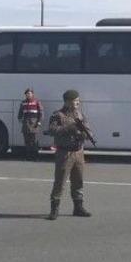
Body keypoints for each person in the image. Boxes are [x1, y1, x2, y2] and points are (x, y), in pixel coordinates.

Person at [47, 89, 92, 220]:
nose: (77, 104)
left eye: (78, 101)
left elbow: (88, 130)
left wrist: (85, 134)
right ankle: (54, 209)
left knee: (78, 180)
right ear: (67, 102)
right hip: (64, 152)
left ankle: (78, 207)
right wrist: (69, 128)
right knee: (60, 181)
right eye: (74, 101)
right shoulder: (58, 115)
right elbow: (52, 130)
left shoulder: (80, 115)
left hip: (78, 152)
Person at [17, 88, 44, 159]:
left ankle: (35, 156)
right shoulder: (23, 102)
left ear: (32, 94)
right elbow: (20, 112)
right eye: (27, 94)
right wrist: (19, 118)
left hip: (34, 123)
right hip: (26, 123)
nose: (28, 95)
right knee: (27, 141)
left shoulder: (37, 102)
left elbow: (41, 113)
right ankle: (28, 156)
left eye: (29, 93)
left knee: (34, 141)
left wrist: (39, 122)